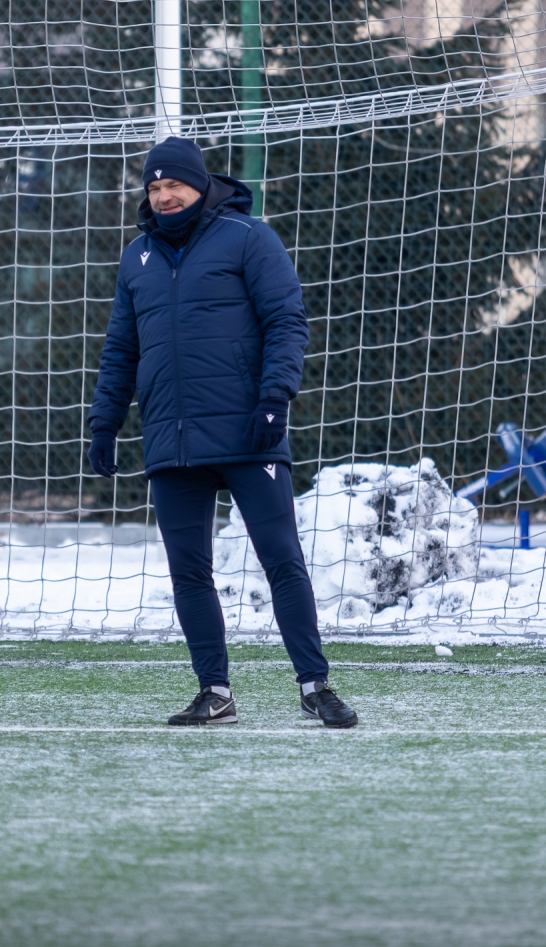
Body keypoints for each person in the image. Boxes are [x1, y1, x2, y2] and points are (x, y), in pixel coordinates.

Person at [87, 136, 358, 728]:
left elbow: (286, 321)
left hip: (248, 432)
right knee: (190, 572)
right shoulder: (136, 258)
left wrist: (274, 398)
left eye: (174, 185)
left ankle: (315, 686)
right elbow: (120, 349)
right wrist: (105, 421)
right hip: (171, 439)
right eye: (154, 188)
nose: (164, 196)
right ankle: (215, 692)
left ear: (200, 185)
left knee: (282, 560)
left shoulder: (248, 237)